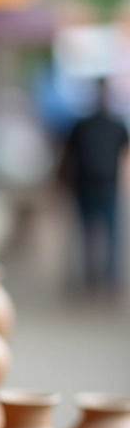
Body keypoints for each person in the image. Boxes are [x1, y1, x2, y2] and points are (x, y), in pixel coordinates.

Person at [60, 78, 128, 293]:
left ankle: (105, 279)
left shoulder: (100, 125)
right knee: (94, 234)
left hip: (103, 186)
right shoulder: (84, 125)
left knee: (102, 235)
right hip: (90, 186)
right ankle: (96, 278)